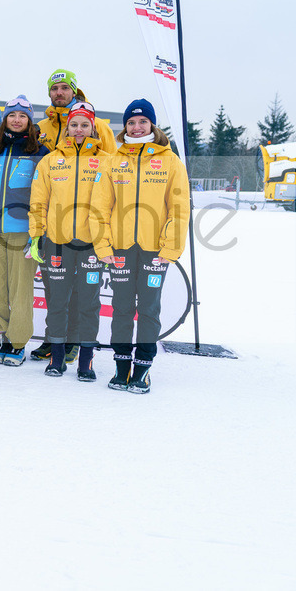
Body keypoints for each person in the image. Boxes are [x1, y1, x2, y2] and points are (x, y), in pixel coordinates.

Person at [89, 99, 190, 394]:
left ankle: (143, 368)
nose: (136, 127)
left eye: (142, 121)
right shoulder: (112, 160)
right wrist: (103, 245)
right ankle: (122, 367)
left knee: (148, 309)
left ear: (152, 125)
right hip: (120, 249)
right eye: (131, 122)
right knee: (121, 309)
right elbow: (99, 207)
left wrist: (169, 249)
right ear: (125, 127)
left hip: (154, 250)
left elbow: (179, 209)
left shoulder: (170, 161)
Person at [28, 101, 109, 380]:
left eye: (85, 125)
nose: (78, 129)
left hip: (92, 244)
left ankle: (86, 361)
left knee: (89, 303)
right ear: (67, 128)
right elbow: (38, 201)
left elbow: (113, 204)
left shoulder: (106, 160)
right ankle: (57, 358)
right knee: (58, 301)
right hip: (57, 241)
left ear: (93, 128)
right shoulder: (50, 160)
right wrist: (37, 235)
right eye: (74, 124)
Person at [0, 96, 49, 367]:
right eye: (11, 115)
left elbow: (44, 196)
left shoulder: (40, 152)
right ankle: (1, 339)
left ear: (29, 121)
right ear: (4, 119)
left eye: (22, 116)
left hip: (23, 231)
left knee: (21, 291)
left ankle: (17, 343)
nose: (16, 120)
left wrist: (38, 233)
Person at [37, 69, 118, 153]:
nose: (59, 93)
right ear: (49, 93)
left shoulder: (98, 125)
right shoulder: (40, 128)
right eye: (54, 88)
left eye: (65, 88)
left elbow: (112, 159)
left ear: (74, 92)